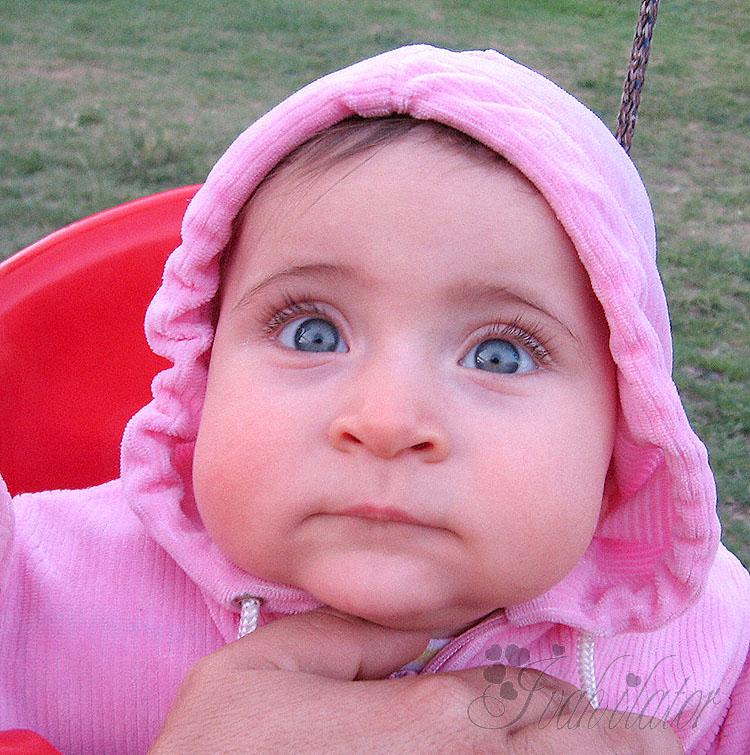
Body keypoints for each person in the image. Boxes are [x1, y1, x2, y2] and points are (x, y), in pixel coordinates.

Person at [1, 45, 748, 754]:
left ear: (622, 431)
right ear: (203, 371)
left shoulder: (718, 649)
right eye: (313, 335)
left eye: (501, 354)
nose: (387, 422)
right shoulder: (30, 588)